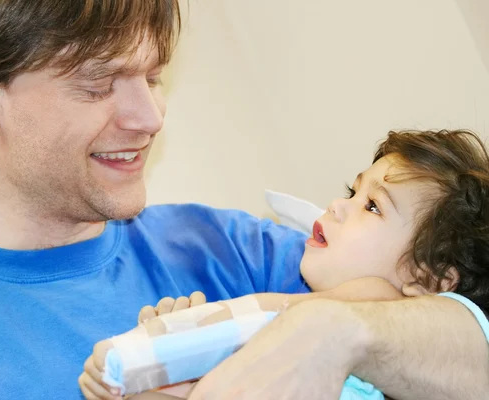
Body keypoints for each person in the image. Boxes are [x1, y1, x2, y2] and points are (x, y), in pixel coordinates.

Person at [0, 0, 486, 398]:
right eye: (99, 83)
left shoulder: (235, 249)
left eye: (151, 78)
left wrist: (336, 329)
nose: (150, 117)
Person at [79, 129, 489, 400]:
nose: (337, 205)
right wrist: (162, 381)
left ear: (427, 279)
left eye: (372, 206)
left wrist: (191, 333)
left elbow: (265, 316)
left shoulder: (378, 298)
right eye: (352, 190)